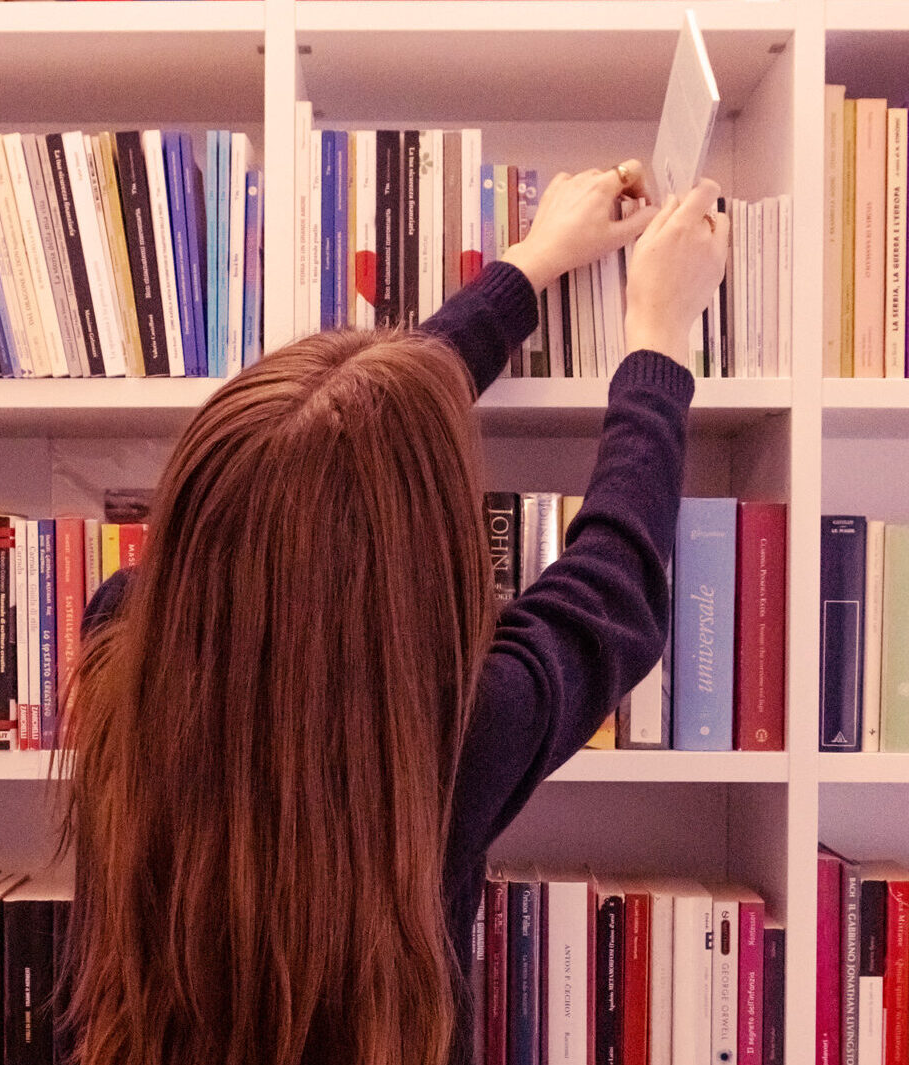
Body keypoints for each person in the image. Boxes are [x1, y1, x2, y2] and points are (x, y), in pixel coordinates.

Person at [56, 161, 728, 1065]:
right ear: (422, 558)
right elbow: (615, 583)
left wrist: (527, 269)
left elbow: (326, 440)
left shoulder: (120, 643)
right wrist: (657, 337)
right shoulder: (452, 735)